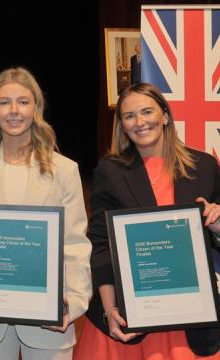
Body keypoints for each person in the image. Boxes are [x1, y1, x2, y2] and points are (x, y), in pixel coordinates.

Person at [74, 82, 220, 359]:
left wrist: (217, 223)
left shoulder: (204, 167)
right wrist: (109, 310)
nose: (140, 122)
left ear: (165, 116)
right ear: (123, 126)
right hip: (132, 316)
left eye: (147, 112)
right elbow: (102, 247)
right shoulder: (111, 171)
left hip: (192, 317)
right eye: (129, 116)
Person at [0, 67, 92, 360]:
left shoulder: (65, 170)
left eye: (23, 101)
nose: (14, 110)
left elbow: (76, 244)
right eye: (4, 102)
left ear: (36, 108)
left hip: (50, 317)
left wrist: (75, 301)